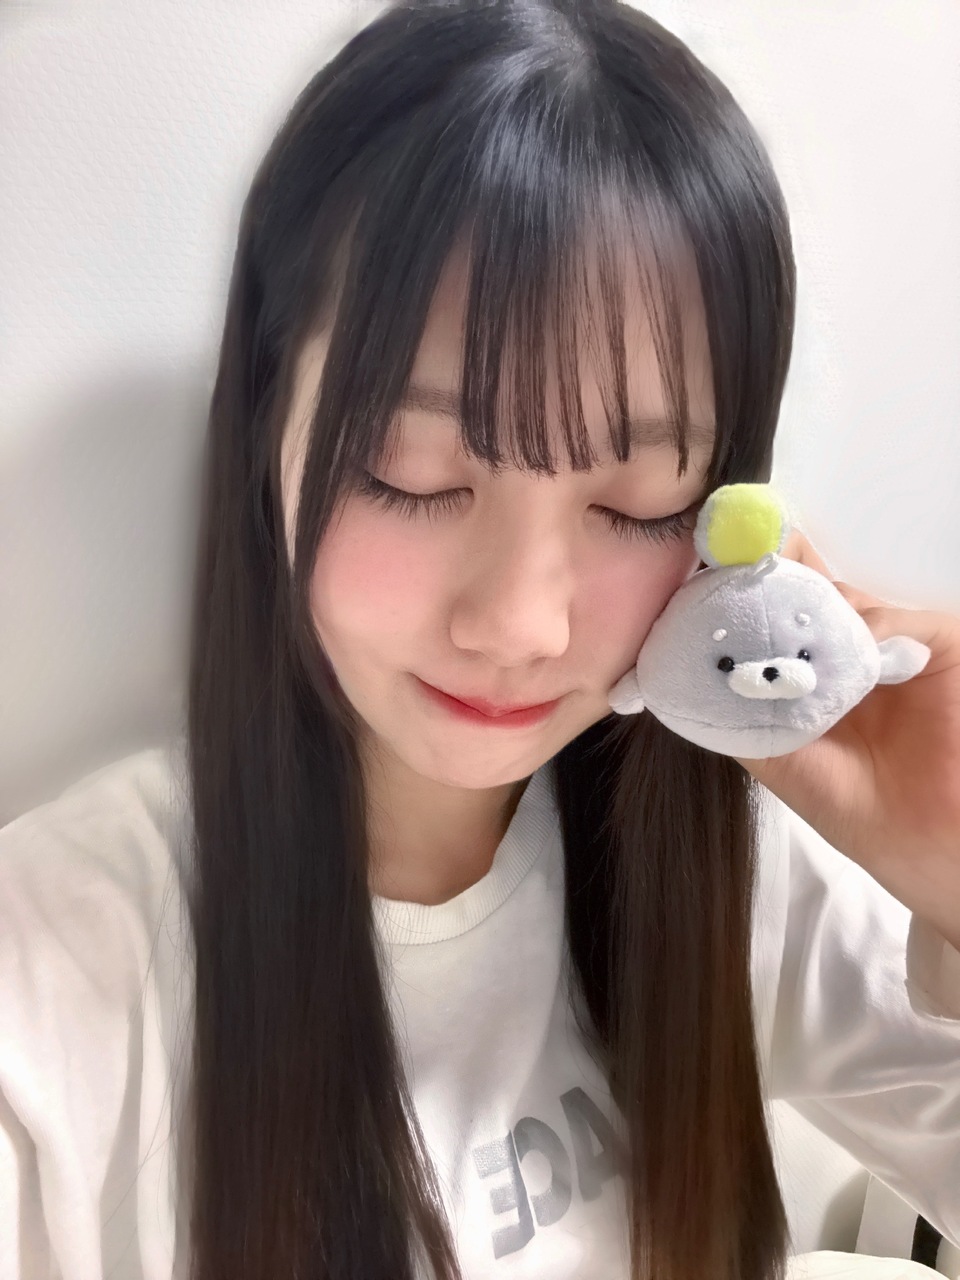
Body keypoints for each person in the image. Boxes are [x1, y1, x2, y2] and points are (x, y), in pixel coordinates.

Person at [0, 2, 958, 1278]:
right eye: (412, 472)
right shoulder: (52, 971)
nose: (520, 623)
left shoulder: (730, 865)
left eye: (639, 502)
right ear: (268, 423)